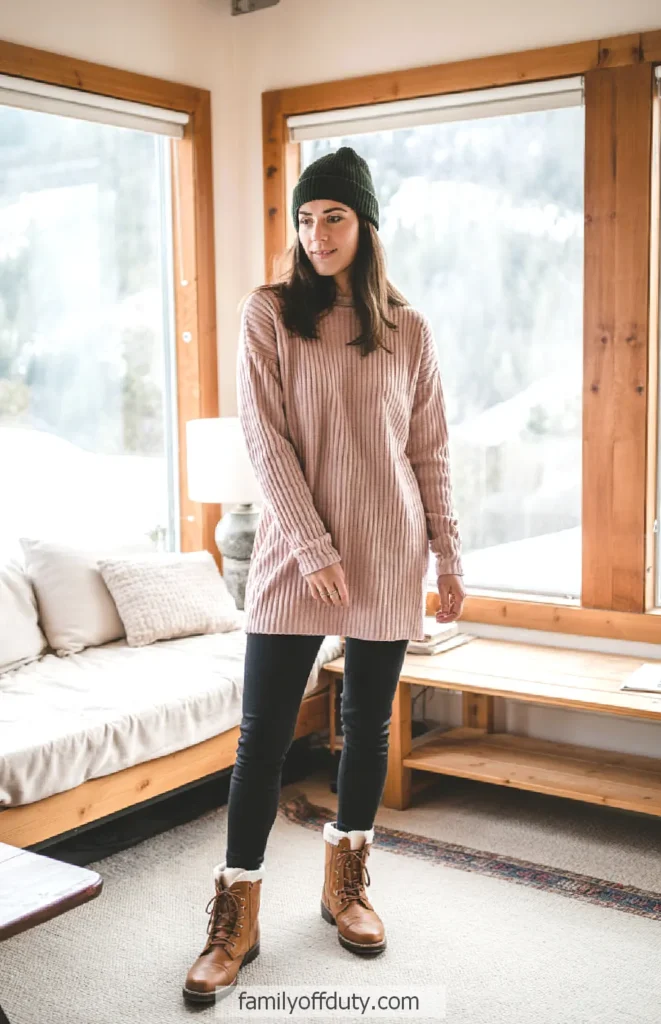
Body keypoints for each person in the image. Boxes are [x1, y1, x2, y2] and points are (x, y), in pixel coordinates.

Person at [183, 146, 466, 1006]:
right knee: (261, 737)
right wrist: (311, 547)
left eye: (332, 217)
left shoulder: (407, 329)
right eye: (305, 220)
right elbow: (262, 440)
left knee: (368, 726)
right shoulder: (268, 313)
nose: (316, 234)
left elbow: (429, 451)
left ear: (365, 224)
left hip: (388, 548)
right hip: (294, 558)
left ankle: (346, 882)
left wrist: (448, 551)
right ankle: (237, 910)